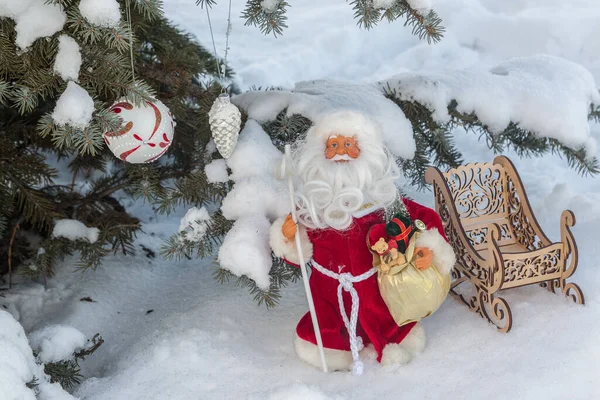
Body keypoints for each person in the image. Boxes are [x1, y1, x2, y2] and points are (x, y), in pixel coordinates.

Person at [269, 111, 456, 372]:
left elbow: (424, 218)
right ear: (319, 154)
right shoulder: (314, 207)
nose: (341, 152)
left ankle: (391, 340)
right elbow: (298, 254)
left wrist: (428, 248)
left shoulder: (382, 202)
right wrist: (288, 236)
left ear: (367, 152)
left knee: (387, 323)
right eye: (333, 145)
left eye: (349, 145)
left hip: (376, 292)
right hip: (329, 297)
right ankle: (334, 347)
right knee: (328, 332)